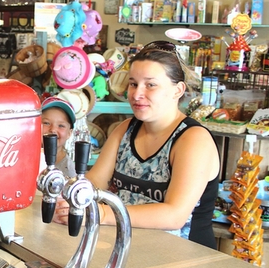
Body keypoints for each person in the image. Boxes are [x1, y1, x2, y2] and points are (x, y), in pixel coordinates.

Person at [52, 40, 221, 250]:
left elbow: (174, 215)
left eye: (150, 85)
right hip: (131, 249)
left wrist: (103, 213)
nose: (137, 94)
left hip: (184, 260)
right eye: (133, 84)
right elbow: (95, 183)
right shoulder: (126, 130)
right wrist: (68, 199)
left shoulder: (193, 139)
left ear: (178, 90)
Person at [39, 96, 77, 178]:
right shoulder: (25, 156)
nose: (53, 130)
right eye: (46, 123)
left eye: (61, 125)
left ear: (69, 133)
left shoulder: (68, 172)